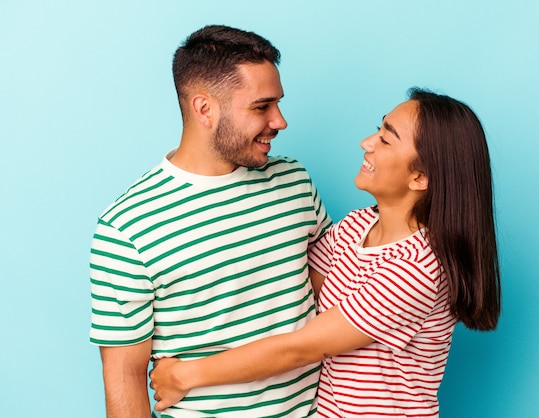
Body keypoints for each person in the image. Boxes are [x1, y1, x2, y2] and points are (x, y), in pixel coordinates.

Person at [149, 87, 502, 417]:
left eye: (386, 139)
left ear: (420, 178)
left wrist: (183, 374)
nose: (367, 143)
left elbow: (301, 347)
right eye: (376, 130)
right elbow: (297, 286)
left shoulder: (417, 269)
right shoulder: (356, 225)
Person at [89, 25, 331, 418]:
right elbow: (125, 379)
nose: (280, 121)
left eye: (278, 103)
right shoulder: (126, 228)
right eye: (261, 106)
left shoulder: (294, 181)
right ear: (204, 108)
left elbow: (336, 299)